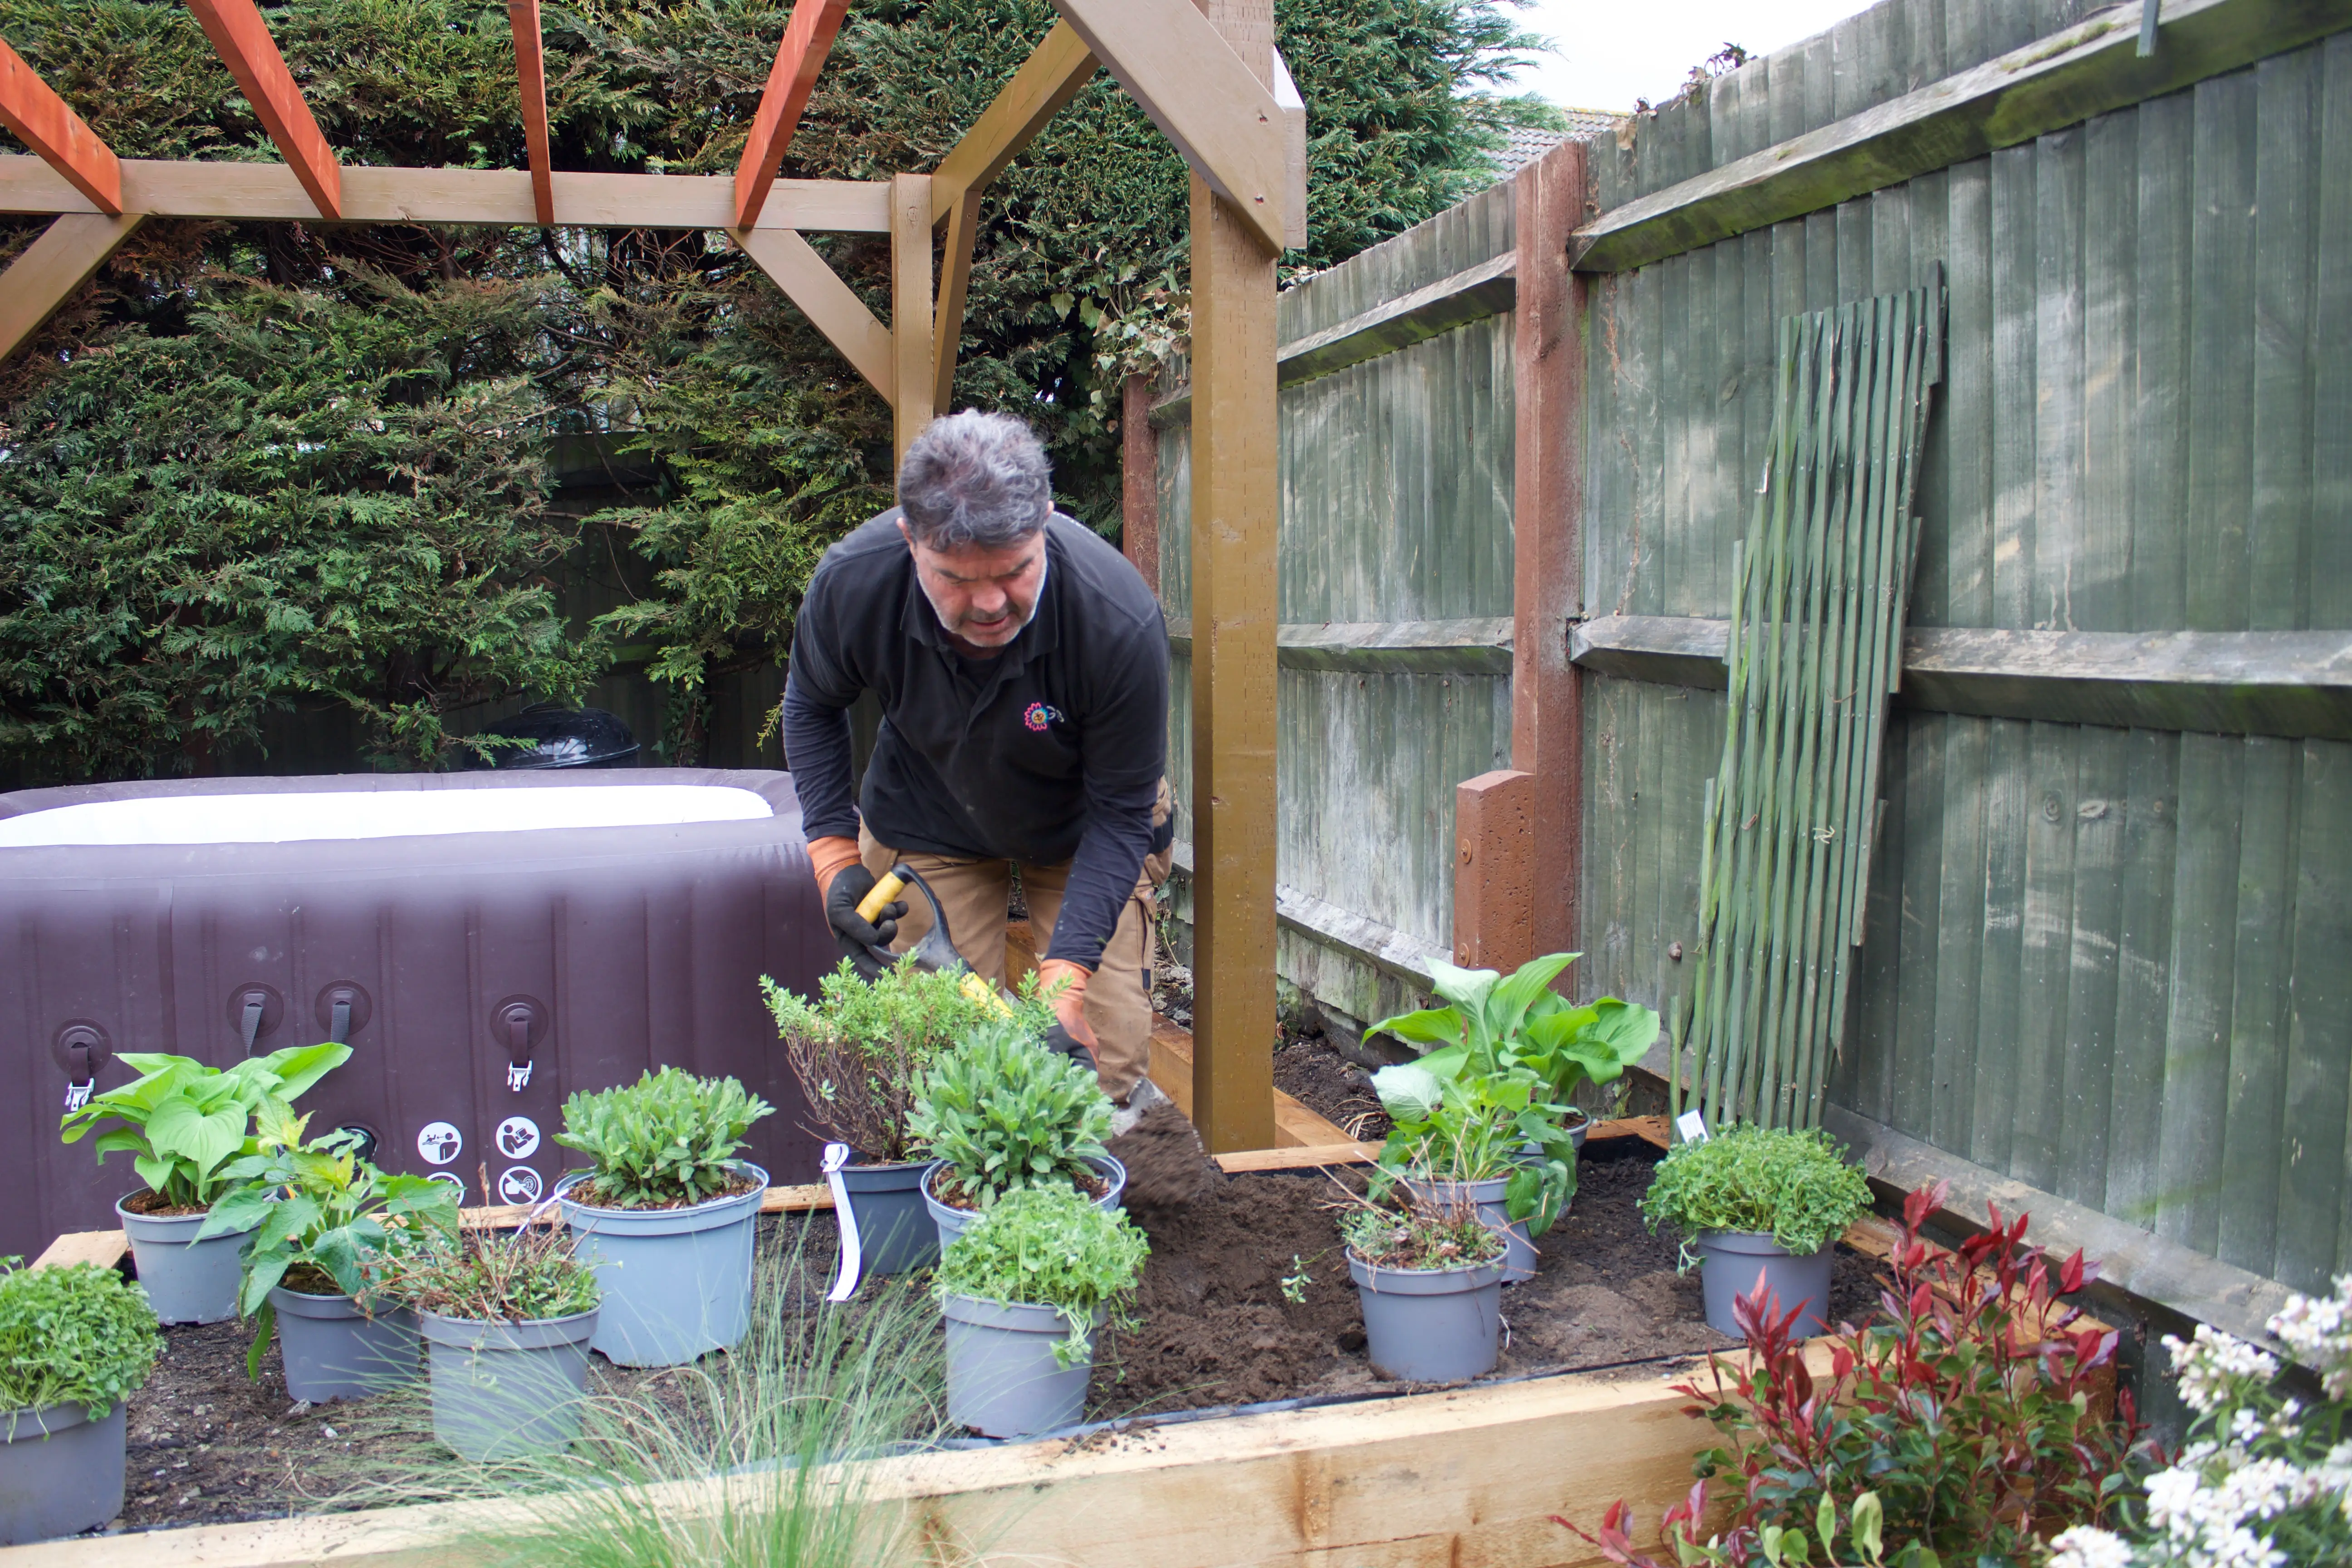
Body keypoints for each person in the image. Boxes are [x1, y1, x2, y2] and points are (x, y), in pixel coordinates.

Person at [782, 410, 1175, 1131]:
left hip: (1088, 826)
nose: (991, 603)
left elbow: (1121, 816)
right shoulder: (856, 584)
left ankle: (1072, 1227)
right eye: (957, 579)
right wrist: (834, 858)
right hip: (930, 810)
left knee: (1098, 1062)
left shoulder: (1116, 619)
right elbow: (810, 705)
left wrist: (1064, 981)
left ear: (1046, 523)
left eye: (1016, 571)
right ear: (911, 540)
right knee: (936, 1063)